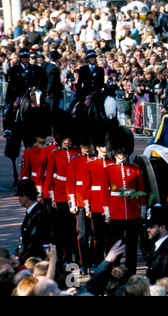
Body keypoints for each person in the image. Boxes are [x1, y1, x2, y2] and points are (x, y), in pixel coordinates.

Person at [102, 126, 146, 275]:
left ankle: (131, 274)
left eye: (124, 152)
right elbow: (105, 193)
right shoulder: (108, 169)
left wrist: (143, 211)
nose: (122, 155)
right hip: (116, 212)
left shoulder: (135, 169)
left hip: (133, 212)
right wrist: (107, 213)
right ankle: (116, 271)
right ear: (114, 152)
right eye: (119, 152)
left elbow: (141, 192)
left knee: (132, 247)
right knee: (117, 245)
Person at [43, 110, 80, 265]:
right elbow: (50, 178)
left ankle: (75, 258)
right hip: (59, 195)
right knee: (62, 229)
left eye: (69, 137)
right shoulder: (54, 154)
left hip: (75, 195)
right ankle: (65, 257)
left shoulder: (77, 152)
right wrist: (51, 197)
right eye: (64, 138)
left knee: (75, 229)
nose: (67, 140)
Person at [82, 120, 115, 267]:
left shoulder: (113, 164)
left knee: (109, 237)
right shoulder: (90, 164)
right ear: (97, 147)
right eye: (102, 146)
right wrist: (87, 206)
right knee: (98, 237)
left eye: (106, 146)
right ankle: (97, 261)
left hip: (111, 204)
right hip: (95, 204)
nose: (104, 149)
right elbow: (86, 187)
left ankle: (108, 261)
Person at [66, 118, 96, 274]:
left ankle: (94, 261)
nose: (87, 147)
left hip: (96, 202)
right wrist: (72, 203)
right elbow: (70, 183)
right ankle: (83, 263)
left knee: (95, 235)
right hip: (80, 202)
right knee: (83, 234)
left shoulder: (96, 159)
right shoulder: (74, 161)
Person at [19, 107, 52, 202]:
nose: (42, 138)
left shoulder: (51, 151)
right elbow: (24, 173)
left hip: (48, 185)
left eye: (43, 135)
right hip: (33, 184)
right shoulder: (28, 152)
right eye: (40, 135)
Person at [15, 179, 50, 265]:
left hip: (35, 262)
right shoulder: (33, 211)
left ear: (24, 197)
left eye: (19, 196)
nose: (18, 199)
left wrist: (21, 259)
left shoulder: (39, 214)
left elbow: (33, 243)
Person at [74, 50, 105, 117]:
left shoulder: (100, 69)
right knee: (77, 107)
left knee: (100, 109)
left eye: (94, 57)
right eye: (91, 57)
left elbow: (101, 83)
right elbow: (80, 82)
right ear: (88, 59)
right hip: (85, 93)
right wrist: (80, 95)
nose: (93, 59)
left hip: (96, 94)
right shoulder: (83, 69)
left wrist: (96, 92)